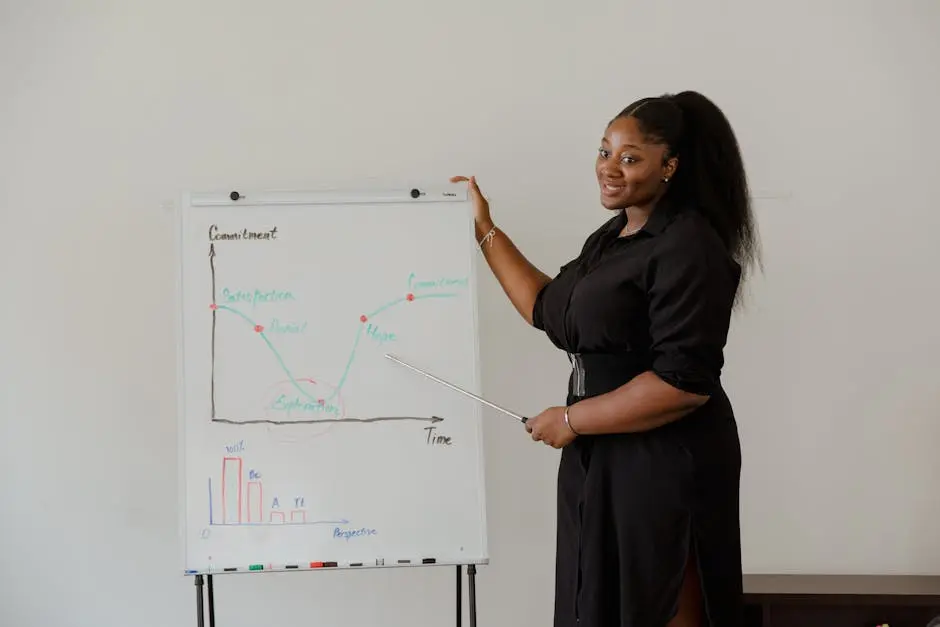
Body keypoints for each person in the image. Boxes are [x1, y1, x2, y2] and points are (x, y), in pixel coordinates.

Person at [451, 90, 759, 627]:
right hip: (601, 453)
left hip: (664, 456)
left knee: (657, 598)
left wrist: (572, 419)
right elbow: (546, 308)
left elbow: (683, 383)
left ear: (671, 165)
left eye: (630, 156)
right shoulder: (613, 238)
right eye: (604, 151)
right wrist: (483, 226)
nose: (609, 168)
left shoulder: (689, 244)